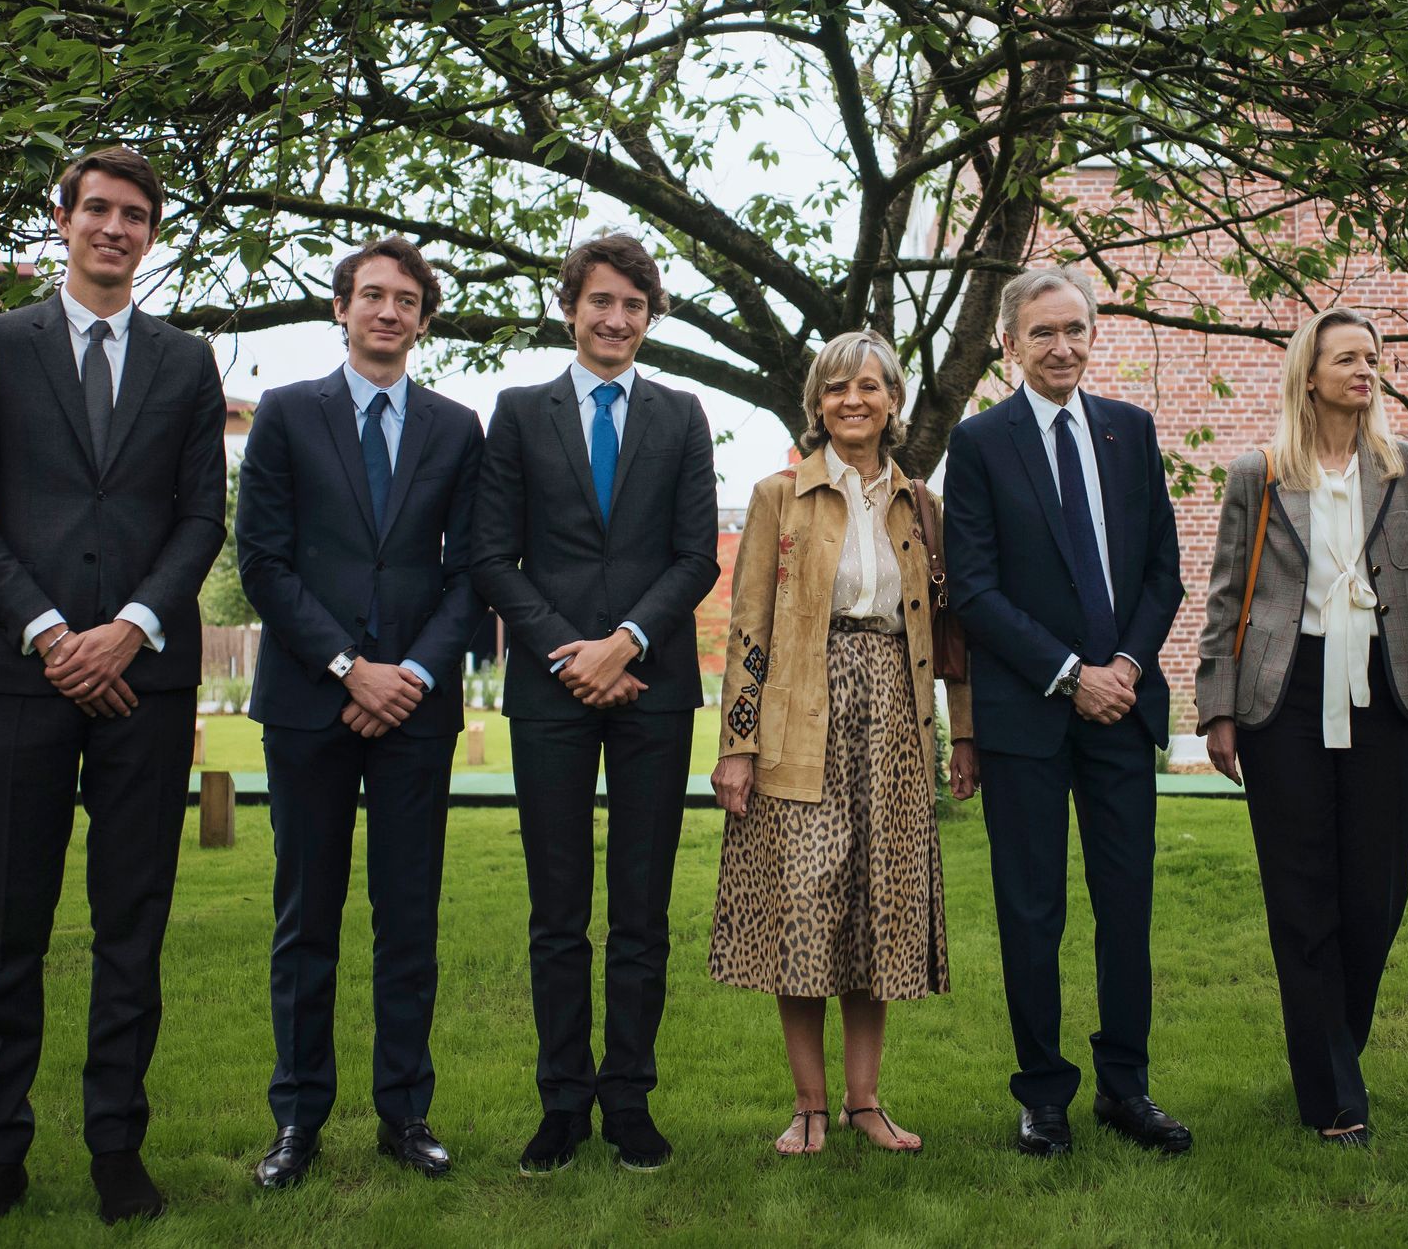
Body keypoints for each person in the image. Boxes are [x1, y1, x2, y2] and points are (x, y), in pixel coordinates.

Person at [0, 146, 227, 1237]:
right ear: (62, 222)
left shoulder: (186, 361)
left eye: (135, 214)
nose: (114, 227)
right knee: (10, 922)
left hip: (145, 681)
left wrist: (130, 629)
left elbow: (202, 517)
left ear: (151, 234)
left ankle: (117, 1149)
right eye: (96, 209)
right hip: (23, 677)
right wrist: (56, 633)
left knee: (130, 928)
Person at [235, 238, 487, 1189]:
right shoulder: (288, 415)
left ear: (424, 318)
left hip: (416, 710)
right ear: (341, 308)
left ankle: (405, 1112)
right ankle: (298, 1119)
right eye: (371, 295)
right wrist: (350, 667)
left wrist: (411, 672)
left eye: (406, 299)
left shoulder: (458, 428)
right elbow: (262, 560)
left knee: (408, 917)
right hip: (309, 703)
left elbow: (470, 570)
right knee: (305, 917)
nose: (388, 311)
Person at [471, 234, 718, 1175]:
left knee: (643, 908)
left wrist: (627, 642)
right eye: (601, 302)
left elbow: (697, 554)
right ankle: (561, 1102)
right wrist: (569, 650)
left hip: (653, 684)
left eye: (635, 307)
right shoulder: (519, 412)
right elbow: (493, 554)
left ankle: (630, 1101)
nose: (617, 320)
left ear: (651, 318)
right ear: (569, 305)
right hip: (550, 684)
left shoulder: (683, 414)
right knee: (558, 909)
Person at [707, 331, 979, 1156]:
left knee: (878, 911)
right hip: (801, 715)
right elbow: (748, 626)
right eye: (836, 388)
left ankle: (866, 1101)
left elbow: (953, 633)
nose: (853, 400)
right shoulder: (777, 496)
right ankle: (809, 1104)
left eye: (869, 386)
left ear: (894, 400)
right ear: (816, 403)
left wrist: (962, 735)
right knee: (803, 910)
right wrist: (737, 744)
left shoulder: (921, 504)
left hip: (895, 716)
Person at [943, 266, 1189, 1158]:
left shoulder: (1131, 431)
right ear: (1009, 342)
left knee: (1127, 906)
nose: (1062, 347)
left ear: (1094, 334)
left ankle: (1128, 1087)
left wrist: (1122, 664)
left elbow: (1163, 569)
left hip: (1122, 709)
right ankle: (1042, 1092)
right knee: (1032, 908)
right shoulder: (977, 445)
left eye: (1076, 329)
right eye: (1043, 332)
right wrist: (1065, 672)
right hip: (1029, 720)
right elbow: (971, 587)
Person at [1195, 308, 1408, 1146]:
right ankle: (1335, 1094)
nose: (1366, 369)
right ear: (1310, 373)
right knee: (1302, 897)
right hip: (1283, 697)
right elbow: (1227, 595)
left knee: (1377, 896)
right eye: (1348, 358)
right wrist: (1217, 708)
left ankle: (1335, 1049)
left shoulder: (1407, 467)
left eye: (1373, 356)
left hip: (1382, 694)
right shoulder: (1258, 472)